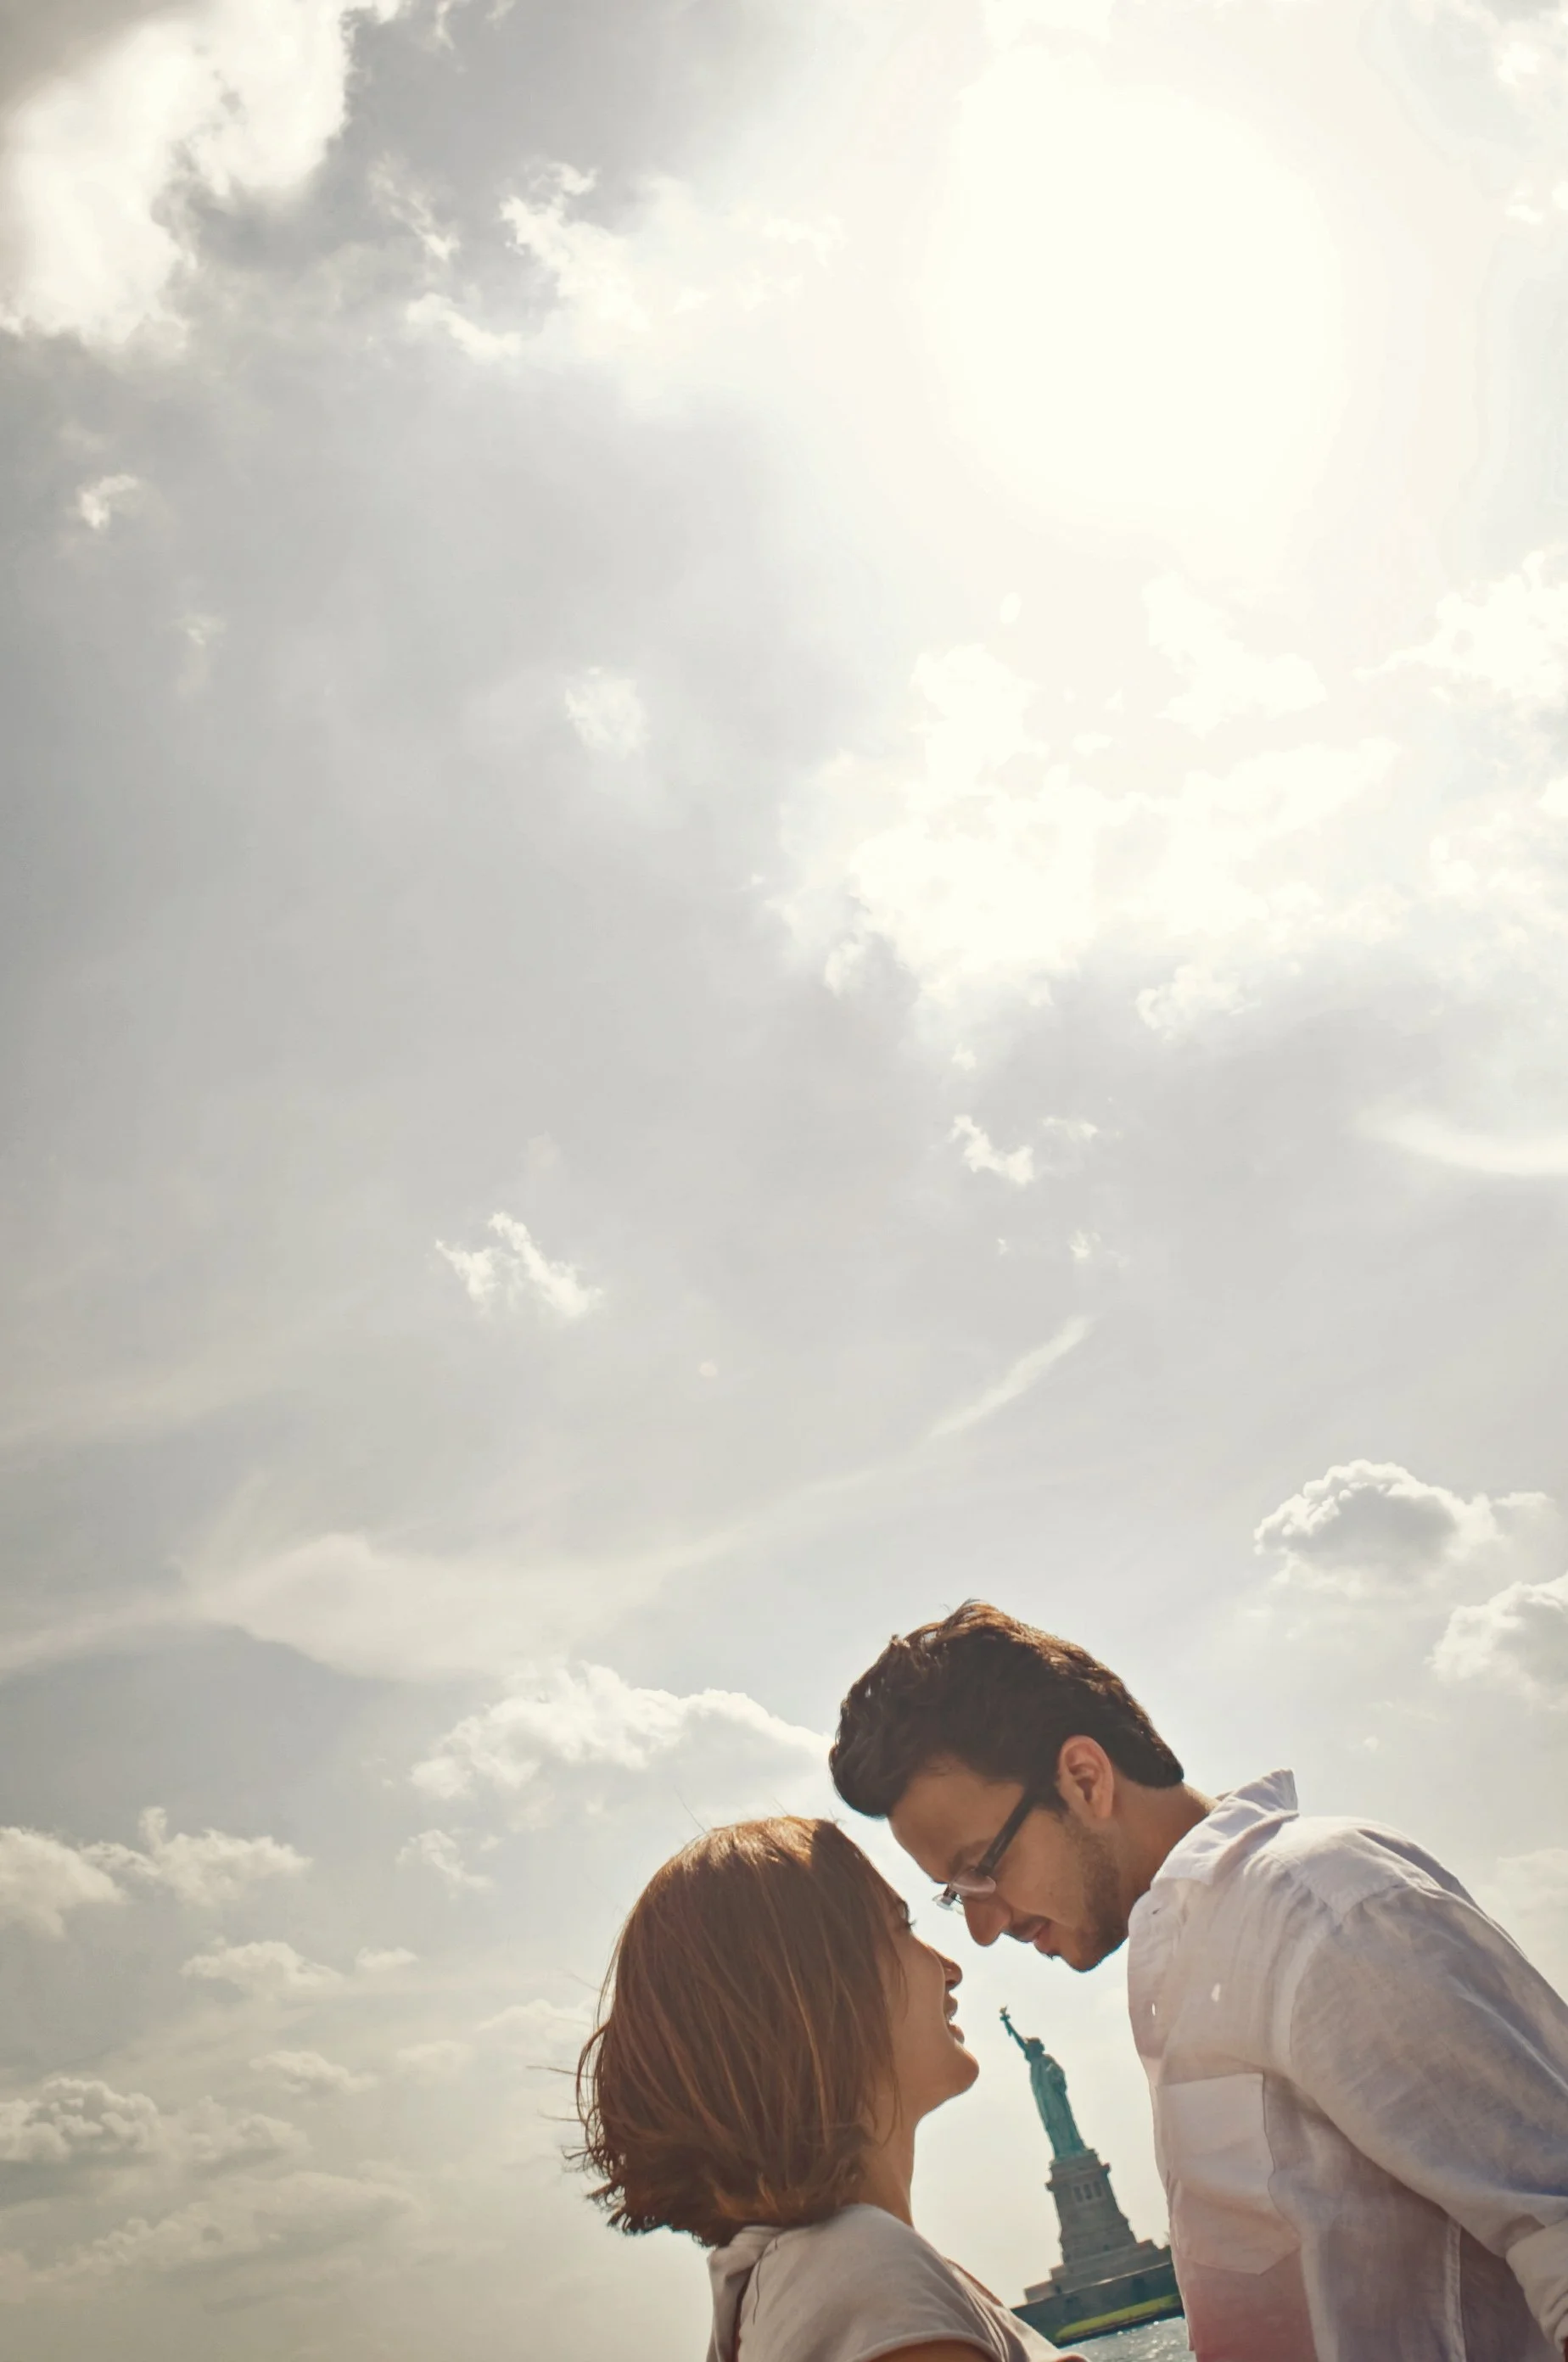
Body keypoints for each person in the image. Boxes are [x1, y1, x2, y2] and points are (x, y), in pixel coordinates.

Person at [829, 1600, 1568, 2362]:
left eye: (983, 1871)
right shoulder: (1188, 1959)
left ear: (1085, 1780)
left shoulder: (1321, 1910)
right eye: (957, 1898)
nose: (984, 1928)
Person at [575, 1813, 1084, 2362]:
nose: (950, 1968)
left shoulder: (816, 2275)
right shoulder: (863, 2272)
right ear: (814, 1995)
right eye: (902, 1930)